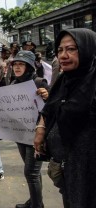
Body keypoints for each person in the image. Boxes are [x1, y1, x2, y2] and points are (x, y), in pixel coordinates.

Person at [34, 28, 96, 208]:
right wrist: (41, 129)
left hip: (89, 172)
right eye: (60, 50)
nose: (63, 55)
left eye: (71, 49)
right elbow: (50, 108)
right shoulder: (63, 80)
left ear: (87, 49)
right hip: (66, 169)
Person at [11, 51, 49, 208]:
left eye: (21, 64)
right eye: (15, 64)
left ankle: (36, 205)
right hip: (20, 134)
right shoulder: (13, 84)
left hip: (36, 136)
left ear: (29, 67)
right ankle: (34, 201)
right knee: (33, 173)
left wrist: (47, 96)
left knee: (31, 173)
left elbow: (53, 106)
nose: (17, 67)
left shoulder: (40, 83)